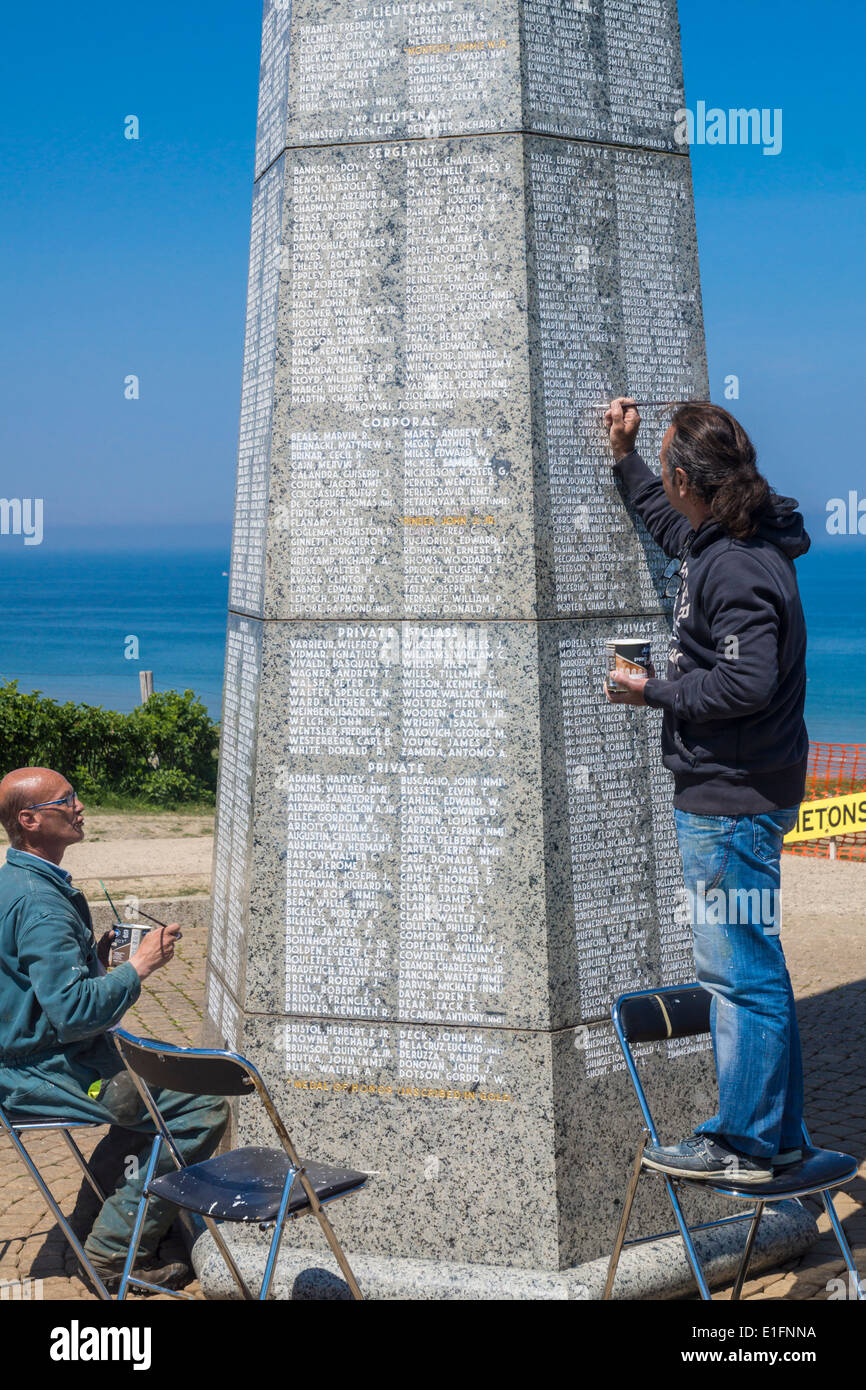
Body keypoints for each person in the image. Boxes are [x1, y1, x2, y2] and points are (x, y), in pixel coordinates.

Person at [603, 398, 809, 1182]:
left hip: (730, 804)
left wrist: (651, 691)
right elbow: (668, 525)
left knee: (737, 975)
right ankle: (779, 1134)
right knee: (754, 964)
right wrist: (624, 459)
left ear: (689, 476)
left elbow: (747, 681)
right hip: (741, 794)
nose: (660, 477)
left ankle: (746, 1144)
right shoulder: (727, 537)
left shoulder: (734, 563)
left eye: (660, 464)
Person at [0, 766, 229, 1291]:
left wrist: (93, 958)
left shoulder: (17, 881)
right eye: (67, 801)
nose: (81, 807)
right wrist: (138, 966)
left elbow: (34, 980)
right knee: (200, 1106)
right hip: (48, 1070)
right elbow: (76, 1013)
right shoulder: (40, 904)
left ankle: (93, 1222)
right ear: (30, 820)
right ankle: (112, 1255)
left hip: (39, 1055)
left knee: (155, 1093)